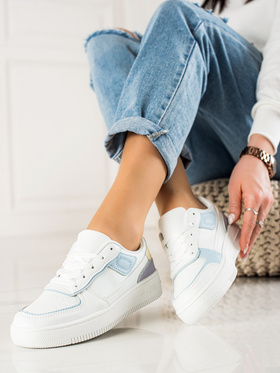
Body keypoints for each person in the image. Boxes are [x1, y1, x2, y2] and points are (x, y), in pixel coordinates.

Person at [11, 0, 279, 348]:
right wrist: (138, 49)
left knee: (182, 17)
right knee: (107, 44)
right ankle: (183, 209)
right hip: (210, 150)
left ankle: (119, 239)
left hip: (266, 141)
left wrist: (260, 150)